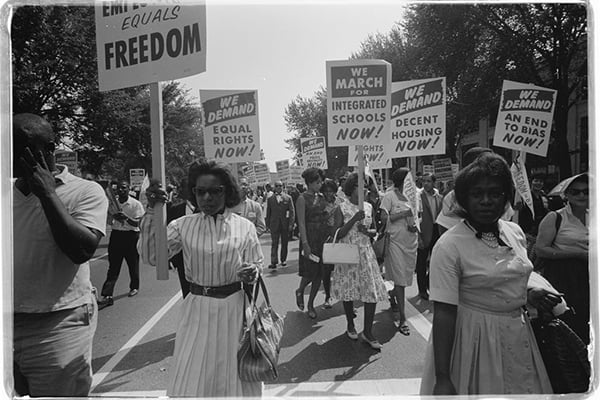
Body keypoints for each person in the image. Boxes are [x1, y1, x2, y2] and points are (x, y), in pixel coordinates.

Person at [420, 152, 559, 395]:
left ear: (505, 197)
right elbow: (444, 312)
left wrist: (530, 293)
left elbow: (511, 276)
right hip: (474, 341)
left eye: (495, 194)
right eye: (477, 194)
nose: (486, 201)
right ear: (464, 199)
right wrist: (442, 377)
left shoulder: (515, 232)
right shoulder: (449, 245)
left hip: (518, 335)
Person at [139, 159, 263, 397]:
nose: (207, 197)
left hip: (235, 311)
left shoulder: (244, 227)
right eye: (200, 191)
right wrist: (152, 210)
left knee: (233, 377)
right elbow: (152, 255)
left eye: (214, 191)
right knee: (193, 374)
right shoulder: (182, 226)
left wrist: (252, 273)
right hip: (198, 309)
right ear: (193, 192)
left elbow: (257, 264)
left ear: (227, 192)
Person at [12, 113, 108, 396]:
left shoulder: (85, 191)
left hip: (58, 324)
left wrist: (47, 194)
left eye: (20, 149)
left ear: (49, 151)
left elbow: (81, 250)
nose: (11, 156)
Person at [331, 173, 388, 349]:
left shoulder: (369, 207)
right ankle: (350, 323)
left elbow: (376, 232)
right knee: (349, 292)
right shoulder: (342, 207)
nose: (363, 188)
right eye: (359, 185)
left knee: (371, 293)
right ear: (351, 188)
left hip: (366, 253)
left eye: (365, 185)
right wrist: (354, 220)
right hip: (348, 253)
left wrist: (367, 231)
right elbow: (337, 234)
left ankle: (368, 332)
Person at [535, 172, 589, 344]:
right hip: (566, 276)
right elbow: (541, 249)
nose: (581, 195)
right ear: (566, 195)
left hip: (591, 275)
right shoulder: (555, 217)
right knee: (572, 321)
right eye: (576, 192)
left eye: (586, 191)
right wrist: (577, 254)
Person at [380, 168, 419, 336]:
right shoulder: (389, 197)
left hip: (411, 243)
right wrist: (403, 213)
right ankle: (403, 319)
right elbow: (383, 219)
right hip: (395, 242)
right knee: (401, 280)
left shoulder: (415, 197)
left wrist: (414, 225)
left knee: (403, 279)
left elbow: (418, 217)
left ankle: (393, 293)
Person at [98, 180, 145, 308]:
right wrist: (113, 217)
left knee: (132, 264)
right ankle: (107, 295)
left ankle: (134, 287)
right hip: (116, 236)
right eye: (119, 188)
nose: (121, 190)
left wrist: (126, 218)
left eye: (124, 188)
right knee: (113, 267)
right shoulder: (113, 204)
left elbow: (138, 223)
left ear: (128, 189)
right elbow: (108, 221)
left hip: (131, 237)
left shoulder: (135, 204)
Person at [295, 168, 328, 319]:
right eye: (317, 182)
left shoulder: (322, 198)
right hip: (309, 238)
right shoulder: (302, 198)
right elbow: (301, 223)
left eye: (320, 182)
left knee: (319, 274)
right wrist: (305, 243)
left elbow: (326, 215)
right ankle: (300, 290)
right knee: (309, 272)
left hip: (322, 239)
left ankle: (310, 304)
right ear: (309, 183)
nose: (320, 185)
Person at [416, 173, 443, 300]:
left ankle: (428, 283)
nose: (425, 183)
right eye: (423, 181)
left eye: (428, 181)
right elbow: (416, 217)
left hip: (436, 231)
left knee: (435, 261)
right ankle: (422, 290)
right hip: (423, 232)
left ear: (434, 183)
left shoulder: (439, 197)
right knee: (421, 262)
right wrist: (418, 236)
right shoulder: (418, 197)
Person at [166, 177, 194, 299]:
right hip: (183, 260)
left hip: (207, 259)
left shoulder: (208, 209)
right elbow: (167, 237)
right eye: (181, 188)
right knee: (188, 296)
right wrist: (169, 258)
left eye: (185, 188)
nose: (182, 191)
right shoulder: (174, 210)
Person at [320, 178, 343, 309]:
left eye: (331, 191)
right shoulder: (321, 204)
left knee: (341, 268)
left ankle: (344, 297)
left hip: (340, 236)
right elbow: (319, 220)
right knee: (326, 269)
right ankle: (328, 296)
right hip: (326, 238)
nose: (329, 194)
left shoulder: (341, 202)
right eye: (326, 191)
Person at [266, 180, 295, 269]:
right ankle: (274, 261)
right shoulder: (270, 199)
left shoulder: (288, 198)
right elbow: (268, 213)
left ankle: (283, 260)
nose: (279, 187)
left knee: (284, 243)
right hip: (274, 224)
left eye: (280, 185)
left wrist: (291, 223)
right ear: (274, 187)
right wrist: (267, 225)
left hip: (285, 224)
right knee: (274, 243)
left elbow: (292, 212)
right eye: (277, 185)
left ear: (283, 187)